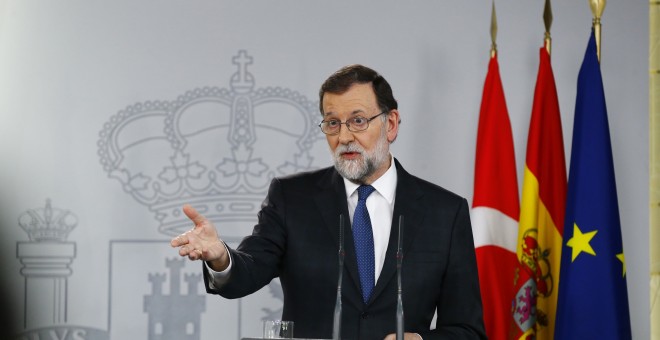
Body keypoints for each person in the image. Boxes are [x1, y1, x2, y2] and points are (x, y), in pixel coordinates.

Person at [171, 64, 486, 339]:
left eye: (358, 120)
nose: (345, 136)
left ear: (390, 125)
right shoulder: (291, 198)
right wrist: (220, 257)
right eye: (332, 123)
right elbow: (247, 272)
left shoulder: (445, 212)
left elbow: (467, 331)